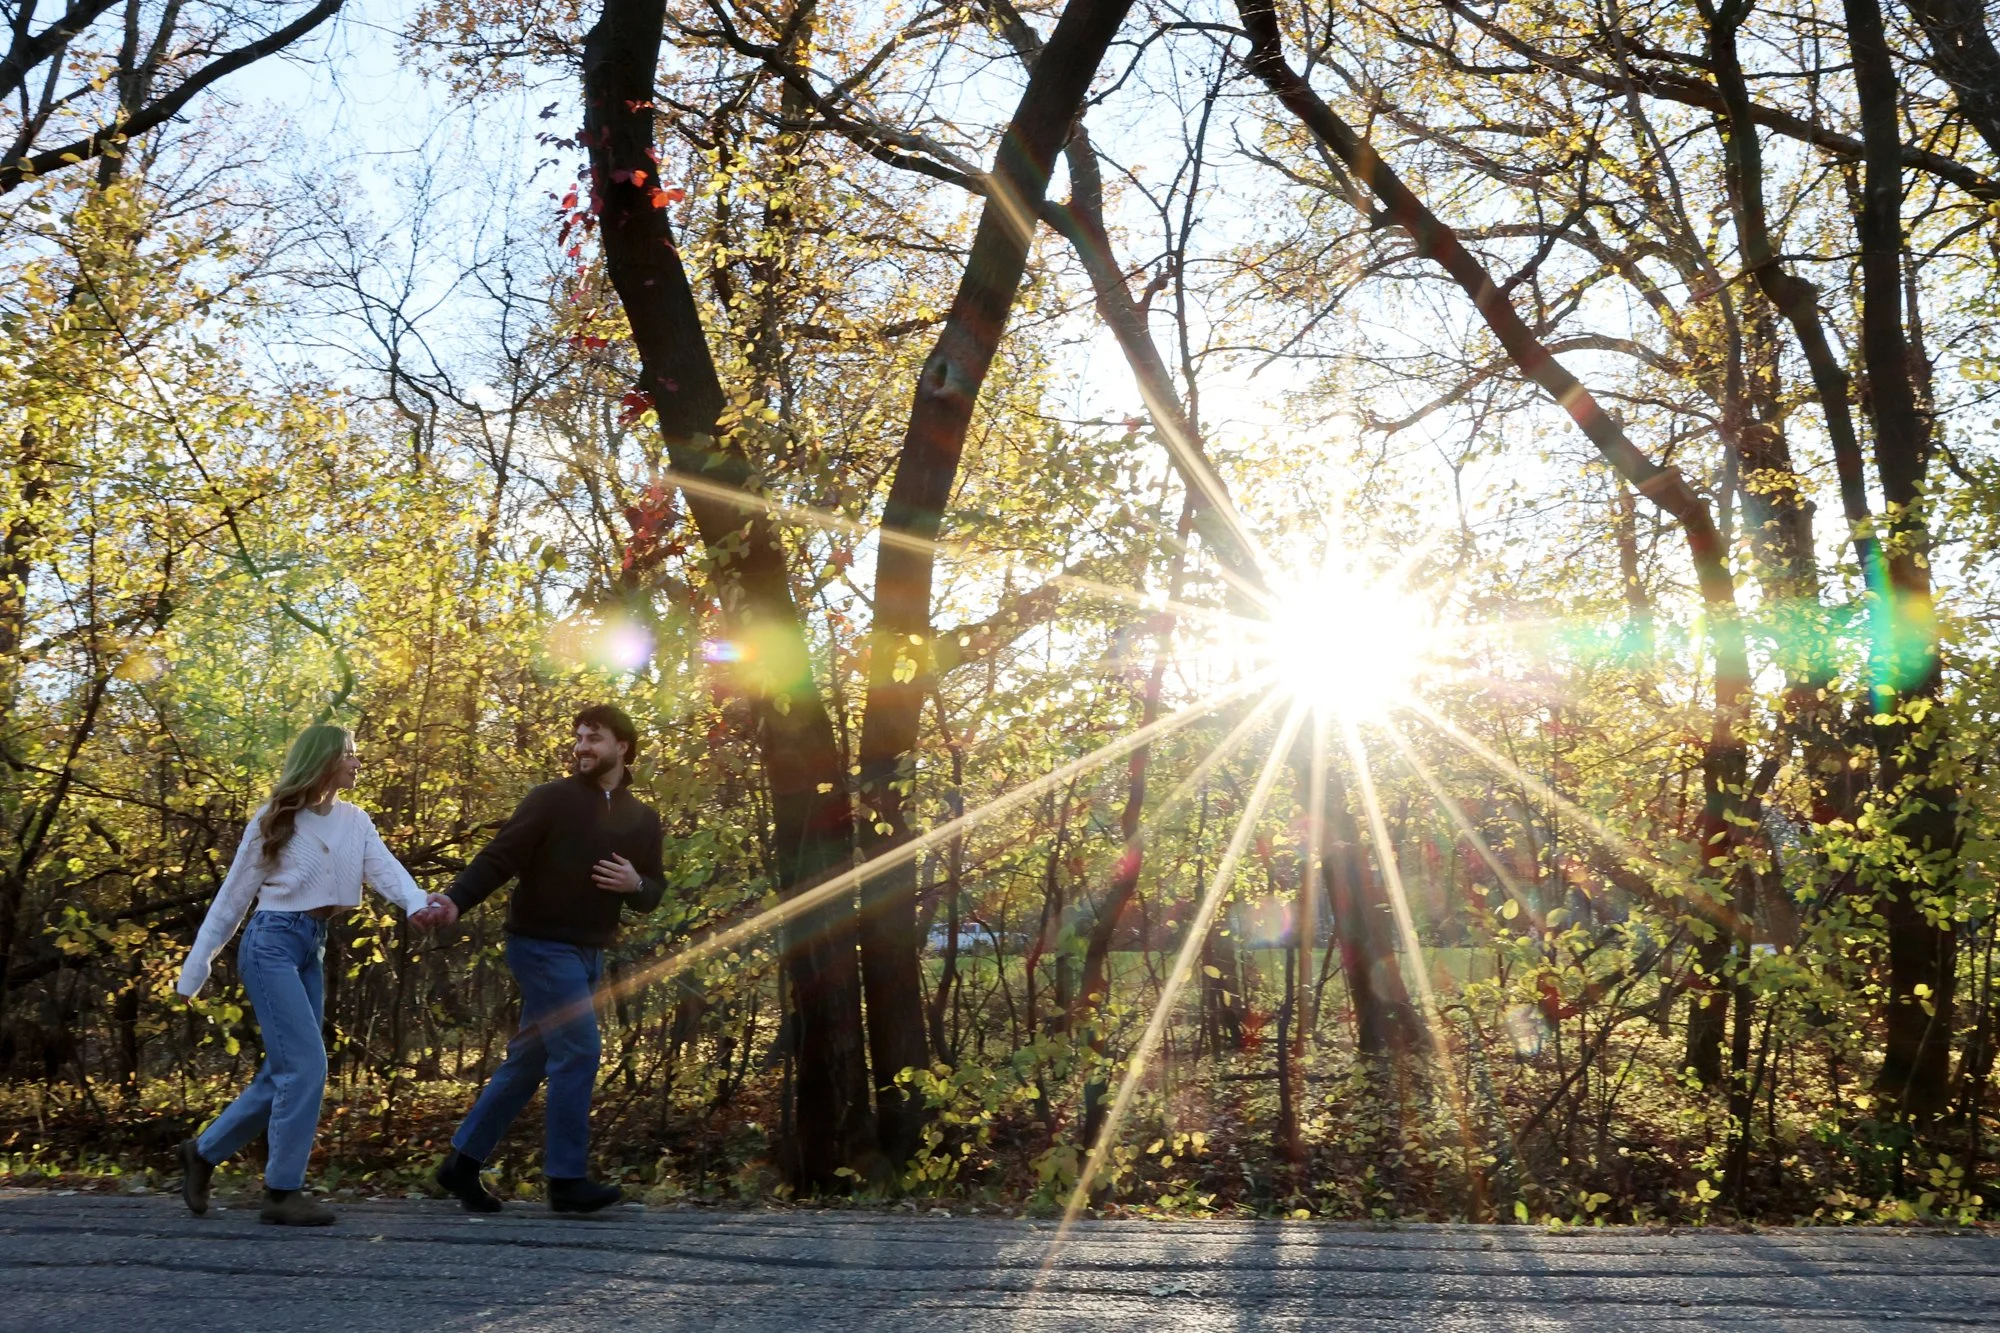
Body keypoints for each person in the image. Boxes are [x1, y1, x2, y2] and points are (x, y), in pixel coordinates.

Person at [175, 724, 432, 1226]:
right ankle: (281, 1192)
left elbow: (386, 870)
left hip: (311, 944)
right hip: (270, 943)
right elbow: (232, 898)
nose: (357, 762)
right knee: (307, 1066)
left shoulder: (355, 820)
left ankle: (203, 1153)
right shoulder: (274, 819)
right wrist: (196, 968)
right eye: (350, 754)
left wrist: (418, 904)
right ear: (324, 761)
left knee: (286, 1070)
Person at [418, 704, 666, 1215]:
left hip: (590, 953)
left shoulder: (643, 818)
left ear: (622, 746)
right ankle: (566, 1180)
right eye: (578, 737)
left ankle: (461, 1163)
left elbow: (653, 892)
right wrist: (456, 900)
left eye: (593, 738)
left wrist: (636, 884)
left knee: (530, 1061)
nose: (581, 747)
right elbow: (501, 855)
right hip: (541, 946)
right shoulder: (552, 799)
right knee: (579, 1051)